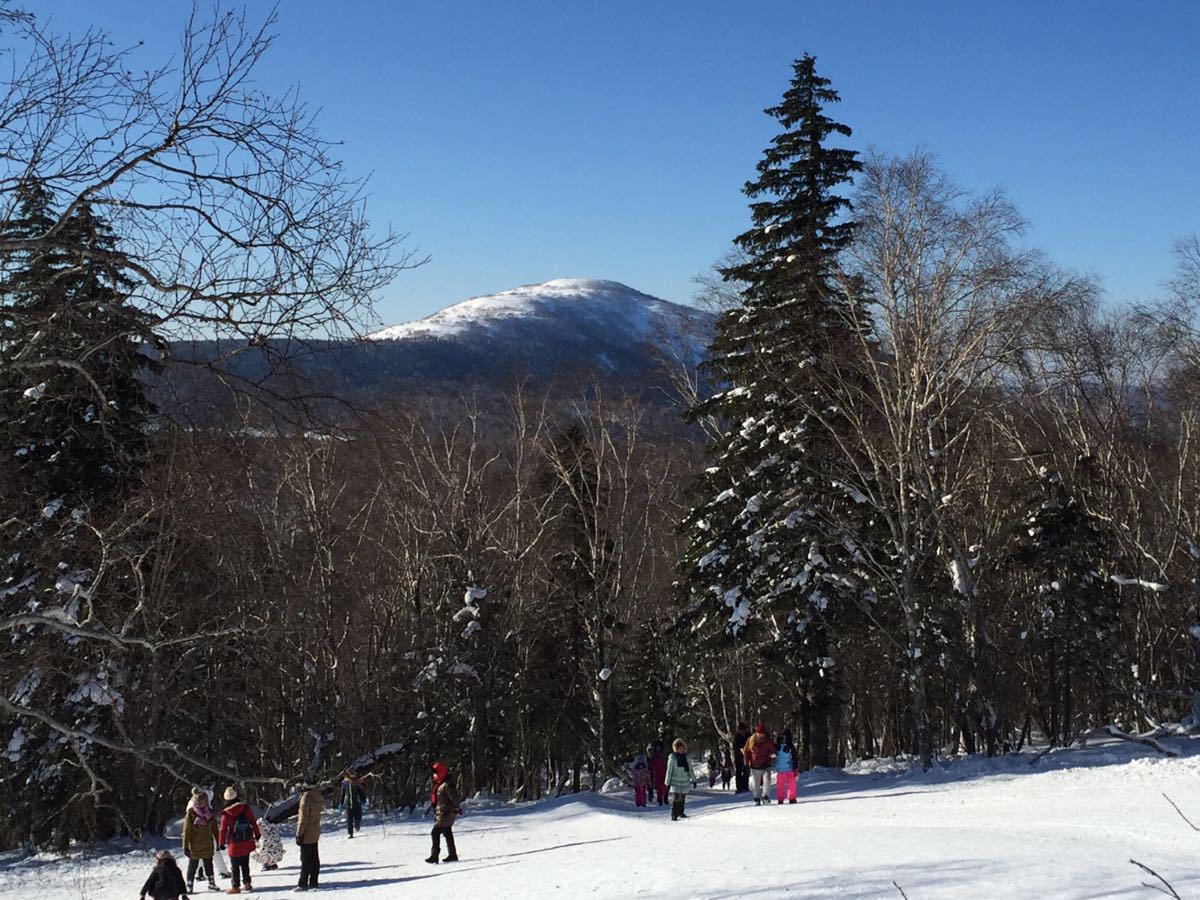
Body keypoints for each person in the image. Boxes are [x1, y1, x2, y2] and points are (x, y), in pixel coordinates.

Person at [217, 786, 261, 895]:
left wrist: (221, 843)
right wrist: (257, 833)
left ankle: (235, 886)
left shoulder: (226, 813)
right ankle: (247, 883)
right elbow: (252, 821)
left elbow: (222, 830)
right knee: (245, 863)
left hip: (234, 843)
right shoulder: (245, 808)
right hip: (247, 840)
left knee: (235, 866)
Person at [181, 787, 219, 894]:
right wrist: (185, 846)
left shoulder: (210, 813)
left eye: (206, 801)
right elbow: (186, 831)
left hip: (207, 843)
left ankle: (211, 883)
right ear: (196, 801)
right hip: (195, 845)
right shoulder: (191, 814)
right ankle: (189, 885)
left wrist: (219, 841)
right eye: (202, 801)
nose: (205, 803)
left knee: (209, 864)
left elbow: (215, 828)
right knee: (192, 866)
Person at [426, 761, 461, 864]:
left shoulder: (447, 785)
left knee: (435, 833)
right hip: (441, 813)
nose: (434, 775)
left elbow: (455, 798)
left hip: (445, 813)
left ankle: (434, 856)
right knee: (447, 832)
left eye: (435, 773)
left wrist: (456, 808)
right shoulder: (440, 784)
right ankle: (452, 854)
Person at [296, 780, 324, 892]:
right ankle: (314, 880)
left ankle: (302, 883)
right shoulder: (318, 796)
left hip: (306, 832)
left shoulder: (306, 798)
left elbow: (303, 818)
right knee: (314, 858)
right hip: (315, 830)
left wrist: (299, 834)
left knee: (305, 859)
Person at [742, 722, 777, 806]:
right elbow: (746, 752)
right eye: (759, 733)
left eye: (762, 734)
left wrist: (770, 761)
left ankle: (766, 796)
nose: (760, 735)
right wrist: (746, 764)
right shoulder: (750, 740)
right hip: (755, 766)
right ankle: (756, 798)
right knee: (755, 784)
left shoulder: (768, 741)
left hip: (766, 765)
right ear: (756, 733)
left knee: (767, 781)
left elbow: (774, 753)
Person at [664, 738, 693, 821]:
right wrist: (667, 782)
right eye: (679, 748)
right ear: (676, 749)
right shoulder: (672, 758)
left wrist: (693, 780)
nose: (680, 750)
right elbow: (669, 771)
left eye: (682, 748)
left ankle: (681, 812)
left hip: (685, 781)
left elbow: (690, 770)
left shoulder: (686, 758)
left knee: (682, 798)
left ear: (684, 748)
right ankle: (674, 814)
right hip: (675, 782)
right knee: (676, 799)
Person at [340, 772, 367, 838]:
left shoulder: (357, 782)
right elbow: (342, 793)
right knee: (349, 819)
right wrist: (341, 803)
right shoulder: (345, 783)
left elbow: (362, 792)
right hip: (348, 804)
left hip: (357, 803)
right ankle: (350, 833)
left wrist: (363, 800)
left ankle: (357, 823)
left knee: (358, 817)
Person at [775, 730, 798, 804]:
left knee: (791, 785)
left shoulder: (791, 746)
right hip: (779, 769)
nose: (783, 739)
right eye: (782, 737)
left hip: (789, 769)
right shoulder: (777, 746)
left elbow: (795, 757)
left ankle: (792, 798)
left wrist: (795, 768)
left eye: (785, 737)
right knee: (780, 785)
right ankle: (780, 799)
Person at [647, 742, 668, 806]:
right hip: (657, 774)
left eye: (659, 747)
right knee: (659, 788)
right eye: (657, 747)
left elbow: (667, 764)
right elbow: (652, 765)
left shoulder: (664, 755)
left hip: (664, 773)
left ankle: (665, 798)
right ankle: (660, 800)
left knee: (665, 787)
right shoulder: (654, 756)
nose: (658, 748)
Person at [733, 723, 751, 793]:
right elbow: (735, 748)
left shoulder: (749, 736)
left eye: (744, 730)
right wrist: (740, 755)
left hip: (747, 757)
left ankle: (745, 786)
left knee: (746, 772)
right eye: (741, 730)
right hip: (738, 757)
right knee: (739, 772)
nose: (743, 732)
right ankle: (739, 787)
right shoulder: (737, 737)